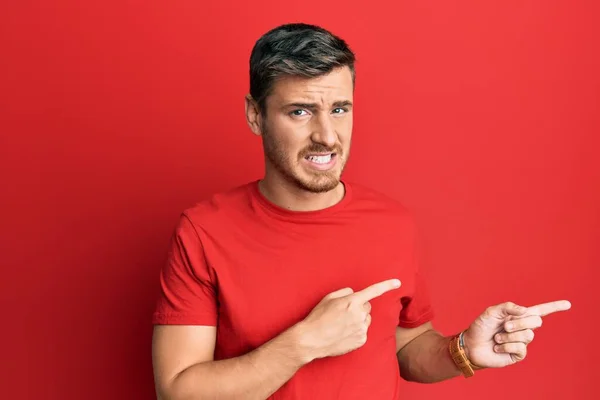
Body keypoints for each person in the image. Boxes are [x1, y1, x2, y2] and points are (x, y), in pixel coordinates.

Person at [151, 23, 571, 400]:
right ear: (255, 115)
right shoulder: (204, 231)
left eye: (339, 109)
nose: (327, 136)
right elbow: (180, 391)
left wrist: (464, 351)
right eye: (300, 111)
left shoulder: (392, 223)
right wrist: (305, 343)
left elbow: (406, 347)